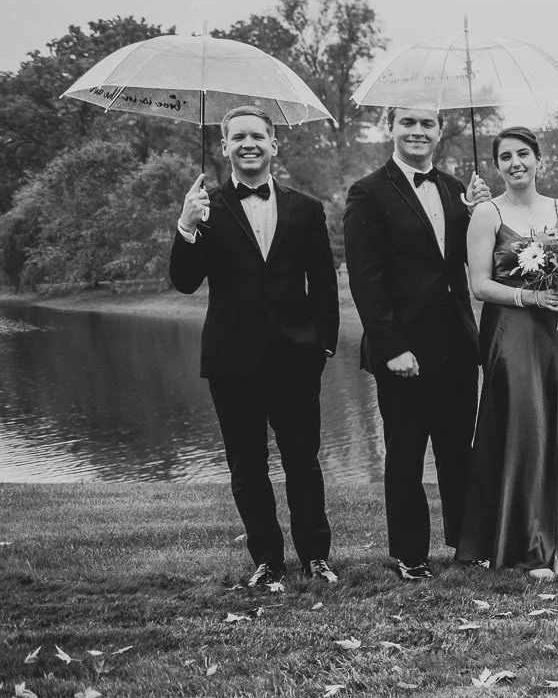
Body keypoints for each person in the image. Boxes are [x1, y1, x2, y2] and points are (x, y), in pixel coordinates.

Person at [170, 105, 340, 589]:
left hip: (296, 358)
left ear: (274, 145)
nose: (249, 144)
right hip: (231, 359)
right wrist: (186, 226)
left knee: (303, 462)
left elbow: (324, 284)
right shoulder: (206, 209)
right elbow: (184, 282)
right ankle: (267, 559)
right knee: (246, 465)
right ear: (224, 146)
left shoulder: (306, 208)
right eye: (238, 136)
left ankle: (316, 557)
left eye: (258, 136)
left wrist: (323, 346)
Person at [344, 107, 490, 581]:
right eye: (408, 123)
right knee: (405, 455)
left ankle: (467, 546)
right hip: (403, 351)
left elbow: (467, 261)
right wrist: (392, 347)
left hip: (457, 348)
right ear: (392, 129)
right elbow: (366, 281)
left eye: (427, 124)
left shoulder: (453, 190)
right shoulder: (367, 192)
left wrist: (478, 213)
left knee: (457, 451)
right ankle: (411, 555)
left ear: (439, 131)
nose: (417, 132)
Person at [456, 126, 558, 579]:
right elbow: (479, 285)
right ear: (497, 166)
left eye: (523, 154)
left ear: (539, 160)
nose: (515, 162)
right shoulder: (486, 214)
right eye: (506, 157)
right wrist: (530, 297)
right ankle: (528, 548)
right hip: (513, 333)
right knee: (527, 431)